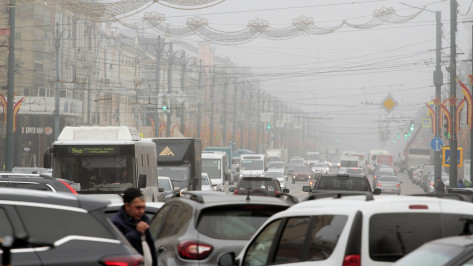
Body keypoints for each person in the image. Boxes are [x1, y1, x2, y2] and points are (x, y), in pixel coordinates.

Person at [111, 188, 157, 266]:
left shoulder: (144, 220)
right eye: (138, 207)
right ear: (127, 206)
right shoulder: (116, 223)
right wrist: (137, 233)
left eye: (143, 207)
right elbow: (120, 248)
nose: (141, 211)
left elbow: (151, 247)